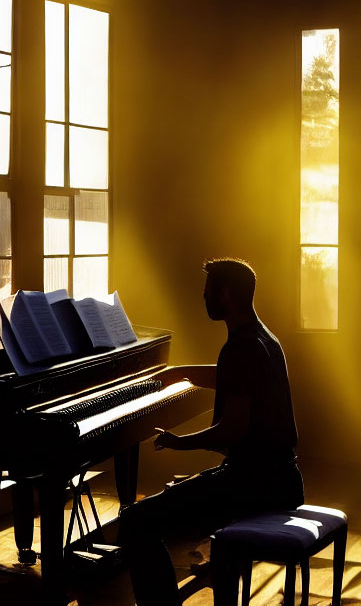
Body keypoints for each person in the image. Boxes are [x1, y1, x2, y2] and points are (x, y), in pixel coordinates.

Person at [118, 258, 303, 606]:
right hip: (281, 479)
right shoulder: (262, 337)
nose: (203, 300)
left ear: (226, 295)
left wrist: (179, 442)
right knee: (168, 504)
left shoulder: (240, 347)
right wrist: (180, 372)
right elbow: (233, 378)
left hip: (254, 485)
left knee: (135, 521)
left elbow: (232, 429)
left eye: (207, 294)